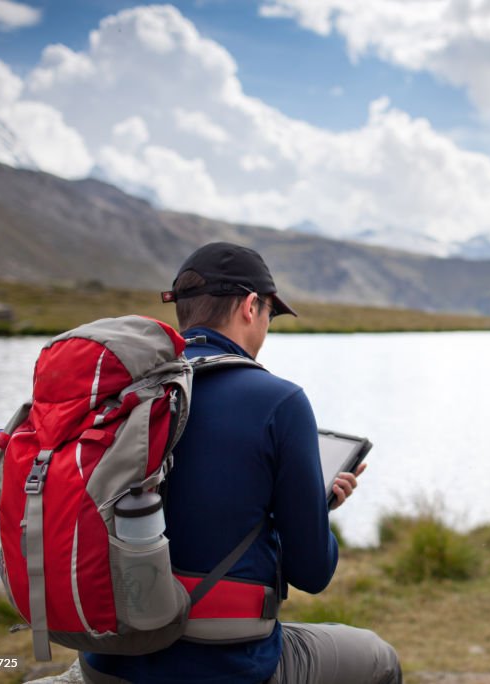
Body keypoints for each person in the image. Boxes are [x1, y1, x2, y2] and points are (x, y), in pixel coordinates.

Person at [81, 242, 401, 684]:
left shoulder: (127, 391)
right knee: (377, 658)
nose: (266, 327)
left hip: (106, 661)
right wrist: (313, 510)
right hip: (223, 665)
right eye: (270, 313)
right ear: (251, 306)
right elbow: (313, 574)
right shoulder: (279, 401)